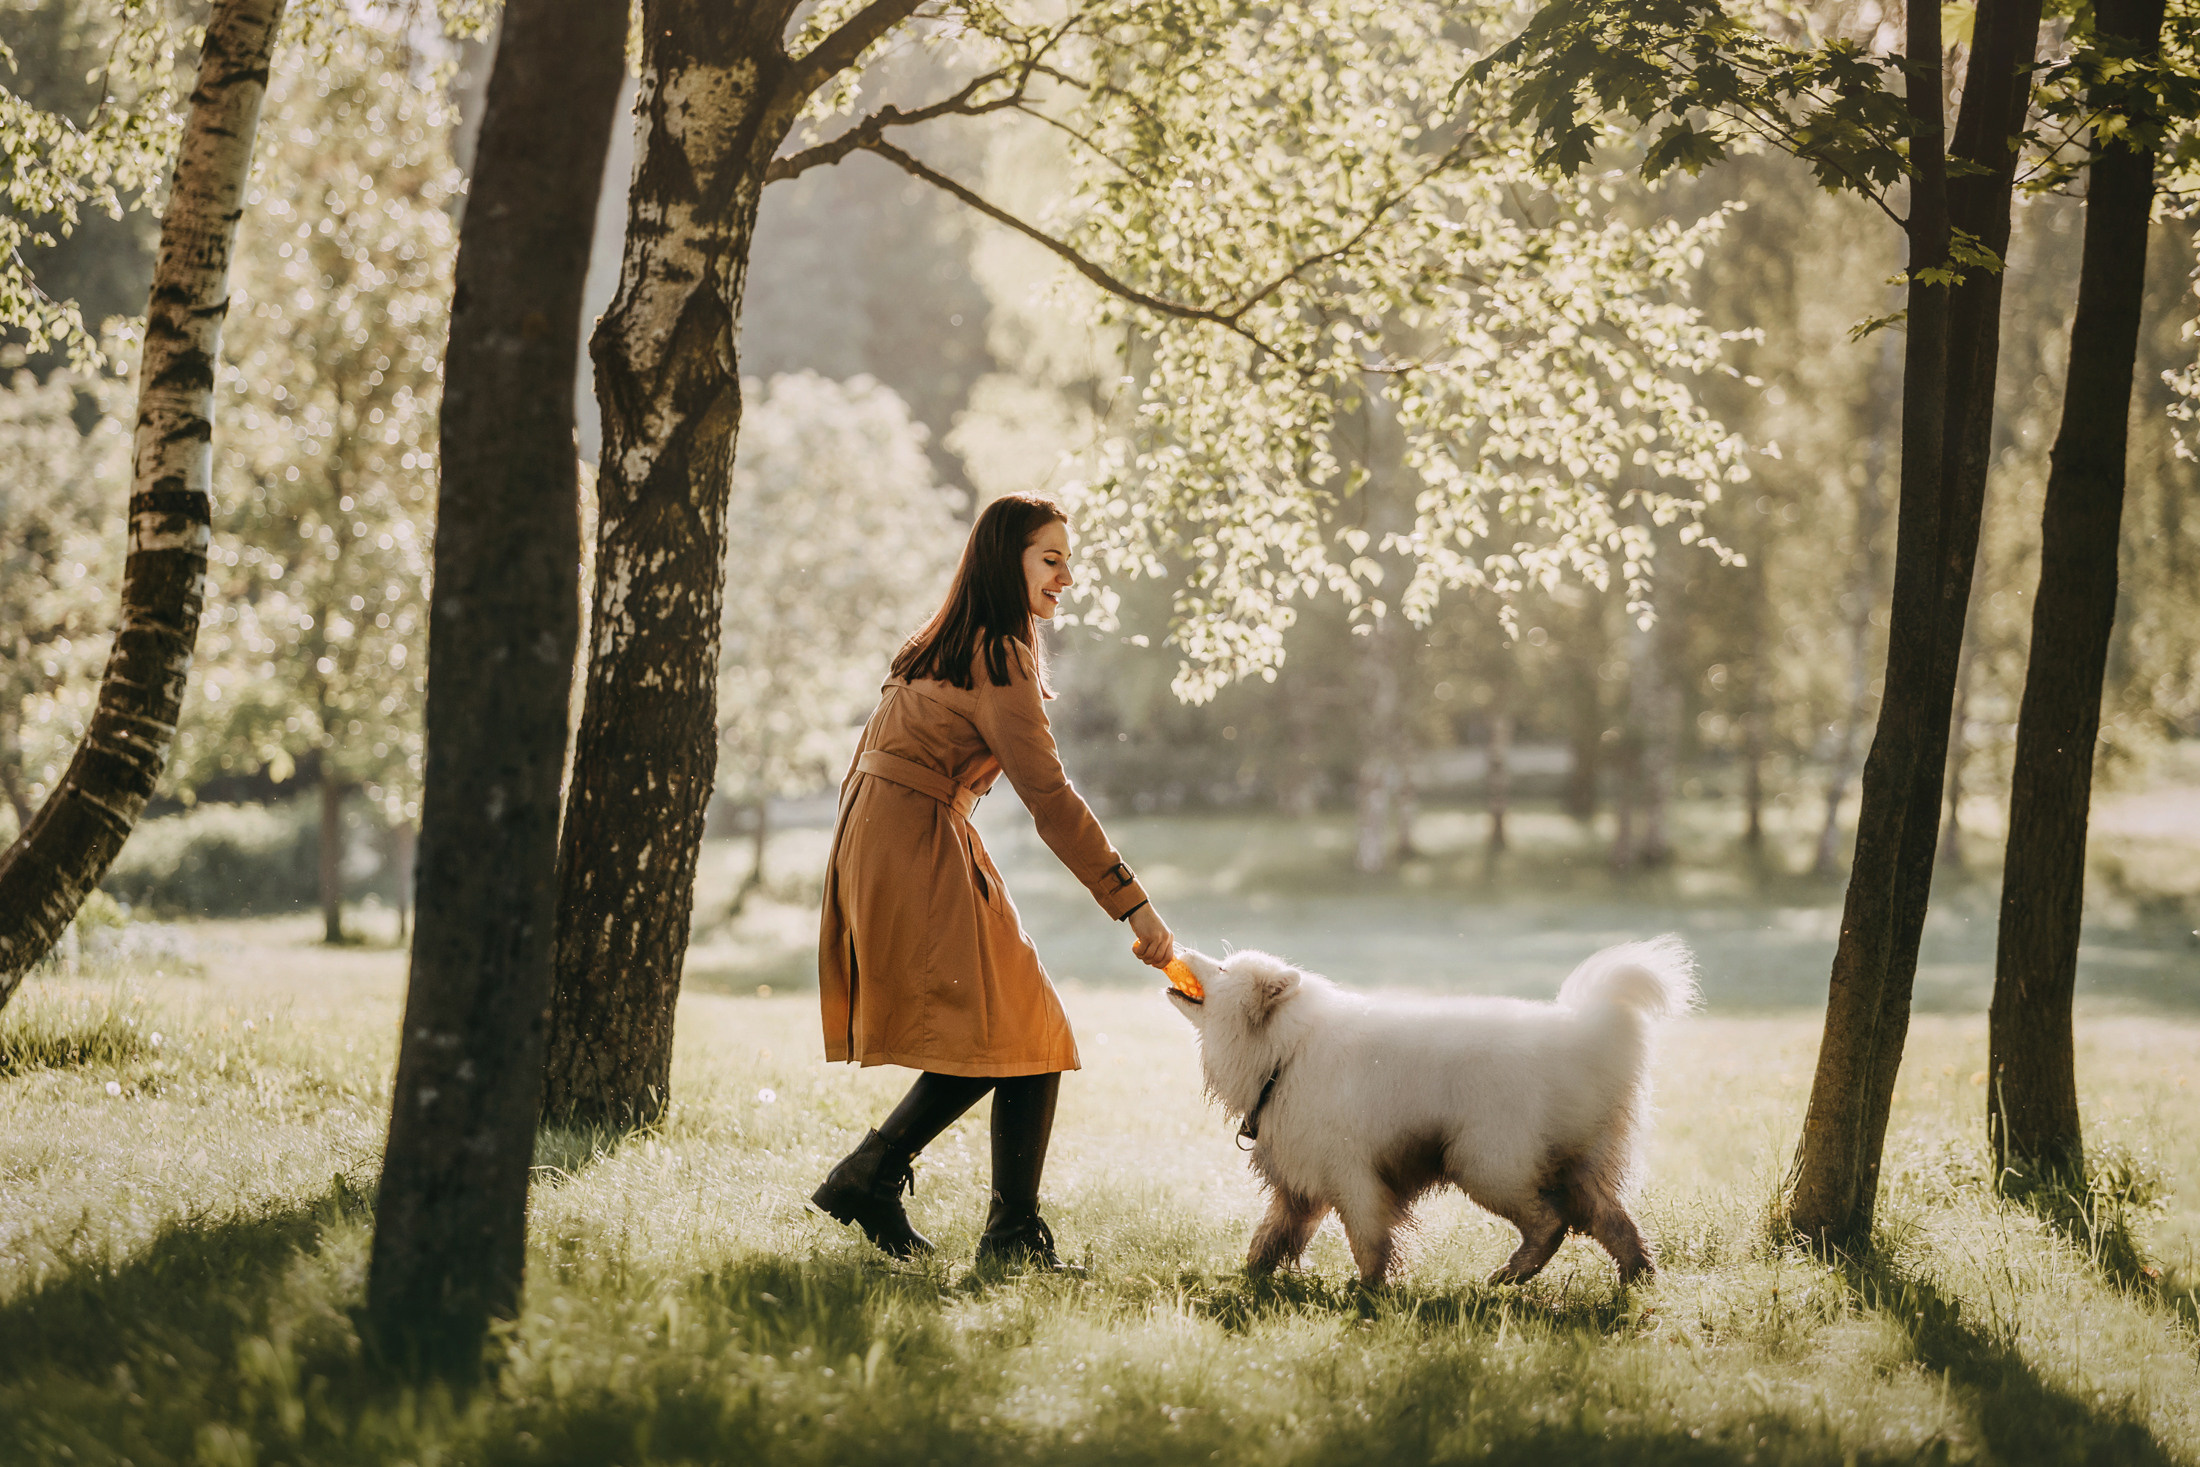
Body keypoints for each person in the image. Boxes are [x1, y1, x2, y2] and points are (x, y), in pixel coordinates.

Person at [811, 492, 1175, 1270]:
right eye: (1051, 559)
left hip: (888, 830)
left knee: (1016, 1028)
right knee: (1025, 1028)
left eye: (1067, 561)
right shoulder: (999, 652)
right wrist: (1134, 905)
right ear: (1004, 559)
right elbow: (1049, 795)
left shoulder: (940, 639)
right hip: (912, 836)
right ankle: (992, 1233)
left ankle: (876, 1179)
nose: (1067, 577)